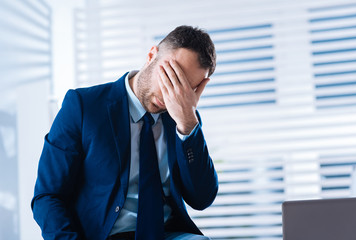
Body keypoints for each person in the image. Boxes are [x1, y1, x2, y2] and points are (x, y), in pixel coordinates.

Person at [31, 25, 218, 240]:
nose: (171, 95)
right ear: (151, 56)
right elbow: (48, 196)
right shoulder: (84, 106)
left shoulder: (183, 120)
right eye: (170, 77)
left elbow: (202, 199)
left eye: (185, 89)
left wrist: (187, 124)